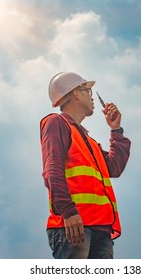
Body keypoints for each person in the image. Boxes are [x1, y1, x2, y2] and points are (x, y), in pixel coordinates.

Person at [40, 72, 131, 259]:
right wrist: (68, 212)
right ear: (75, 93)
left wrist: (115, 130)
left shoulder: (88, 141)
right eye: (88, 91)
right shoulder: (56, 123)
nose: (92, 97)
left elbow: (114, 167)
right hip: (75, 225)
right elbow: (52, 170)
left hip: (101, 228)